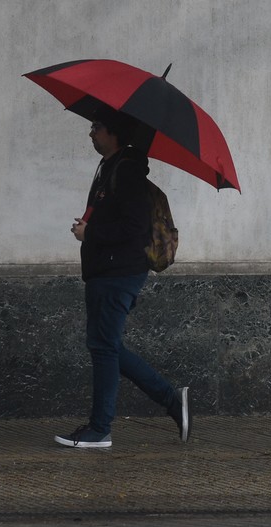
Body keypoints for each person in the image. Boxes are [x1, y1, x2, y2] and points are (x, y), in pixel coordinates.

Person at [55, 109, 190, 448]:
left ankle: (101, 429)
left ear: (113, 133)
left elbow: (134, 229)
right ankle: (171, 401)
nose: (91, 133)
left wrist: (92, 232)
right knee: (106, 346)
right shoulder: (111, 168)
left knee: (103, 347)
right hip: (106, 271)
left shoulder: (127, 172)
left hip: (119, 272)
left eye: (96, 127)